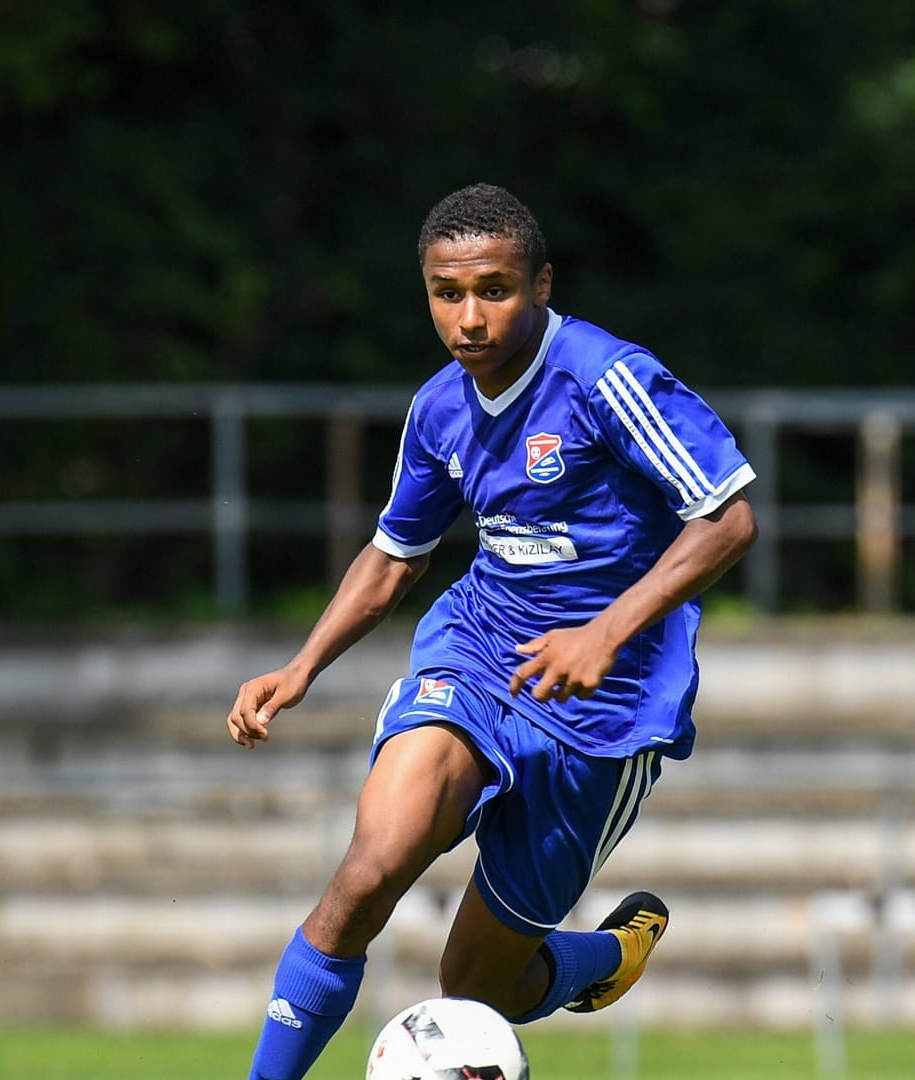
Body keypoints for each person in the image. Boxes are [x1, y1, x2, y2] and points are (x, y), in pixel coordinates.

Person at [227, 183, 758, 1079]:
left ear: (541, 285)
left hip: (606, 706)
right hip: (477, 655)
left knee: (476, 986)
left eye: (495, 290)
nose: (469, 318)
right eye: (447, 293)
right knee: (369, 872)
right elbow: (397, 555)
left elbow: (729, 518)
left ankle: (600, 959)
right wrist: (302, 665)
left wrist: (604, 633)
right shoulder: (438, 408)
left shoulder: (605, 379)